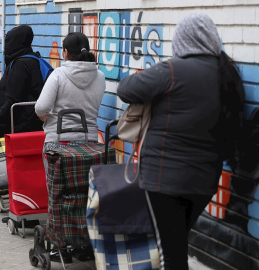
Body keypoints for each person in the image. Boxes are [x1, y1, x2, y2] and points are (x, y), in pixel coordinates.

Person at [116, 13, 244, 269]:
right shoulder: (227, 74)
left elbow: (125, 89)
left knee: (170, 254)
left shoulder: (172, 70)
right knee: (177, 244)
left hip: (164, 182)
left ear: (183, 40)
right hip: (204, 182)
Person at [35, 32, 105, 171]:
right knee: (84, 188)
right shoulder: (100, 76)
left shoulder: (58, 74)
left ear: (65, 52)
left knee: (56, 189)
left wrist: (43, 116)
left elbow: (41, 107)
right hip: (89, 142)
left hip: (58, 143)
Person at [0, 25, 44, 137]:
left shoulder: (20, 65)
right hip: (33, 125)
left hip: (20, 129)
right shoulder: (33, 60)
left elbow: (14, 100)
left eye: (8, 41)